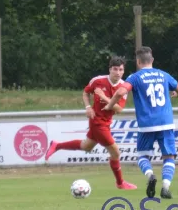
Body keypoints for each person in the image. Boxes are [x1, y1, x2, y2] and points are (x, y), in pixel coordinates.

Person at [45, 56, 138, 190]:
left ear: (123, 71)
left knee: (86, 146)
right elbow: (85, 92)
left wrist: (103, 97)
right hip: (97, 122)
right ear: (110, 69)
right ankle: (120, 183)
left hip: (106, 122)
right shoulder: (98, 80)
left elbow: (119, 109)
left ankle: (57, 145)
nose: (118, 72)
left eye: (121, 70)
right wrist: (88, 107)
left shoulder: (123, 87)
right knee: (116, 153)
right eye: (115, 69)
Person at [104, 46, 178, 199]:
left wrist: (109, 105)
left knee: (142, 156)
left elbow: (121, 92)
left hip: (146, 124)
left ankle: (150, 176)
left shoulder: (135, 77)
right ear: (152, 60)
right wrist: (175, 94)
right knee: (169, 157)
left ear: (138, 61)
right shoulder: (164, 75)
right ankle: (166, 186)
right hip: (166, 123)